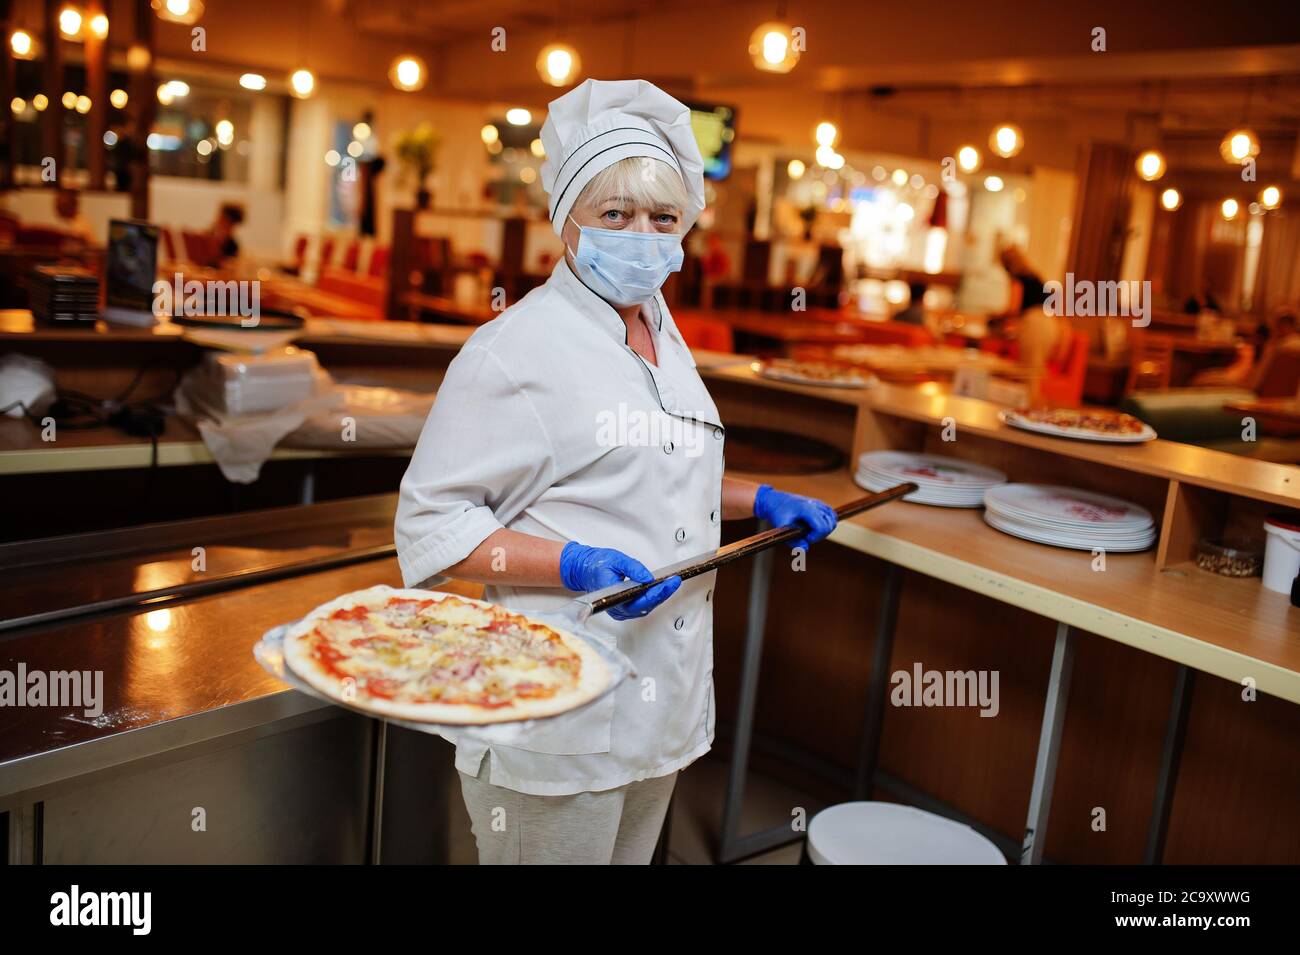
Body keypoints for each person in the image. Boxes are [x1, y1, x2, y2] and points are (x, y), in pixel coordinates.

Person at [395, 79, 839, 865]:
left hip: (654, 708)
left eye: (662, 218)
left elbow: (658, 475)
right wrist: (572, 564)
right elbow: (433, 527)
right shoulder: (516, 350)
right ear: (567, 221)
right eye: (616, 215)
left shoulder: (664, 335)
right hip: (556, 715)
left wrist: (757, 499)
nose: (643, 234)